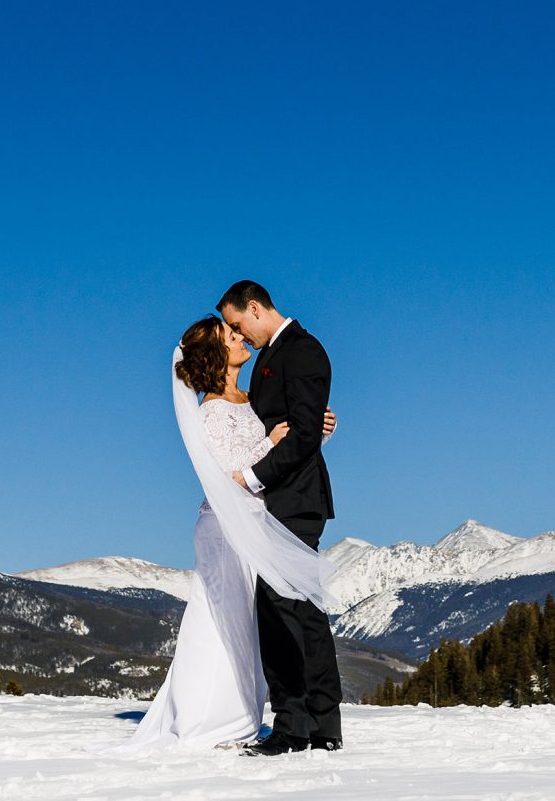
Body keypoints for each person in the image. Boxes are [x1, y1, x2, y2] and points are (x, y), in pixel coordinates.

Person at [126, 308, 338, 751]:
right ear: (216, 352)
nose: (240, 336)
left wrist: (314, 433)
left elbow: (281, 450)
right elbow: (225, 473)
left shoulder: (251, 399)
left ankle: (250, 713)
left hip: (257, 524)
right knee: (224, 619)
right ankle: (211, 718)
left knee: (255, 622)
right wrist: (272, 441)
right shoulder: (211, 412)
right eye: (230, 333)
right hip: (225, 528)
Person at [219, 280, 343, 755]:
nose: (238, 335)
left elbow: (304, 432)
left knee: (279, 611)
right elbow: (294, 424)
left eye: (236, 325)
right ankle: (321, 725)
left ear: (254, 308)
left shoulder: (303, 350)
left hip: (294, 500)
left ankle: (292, 727)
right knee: (304, 611)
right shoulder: (274, 355)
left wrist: (252, 478)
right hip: (285, 498)